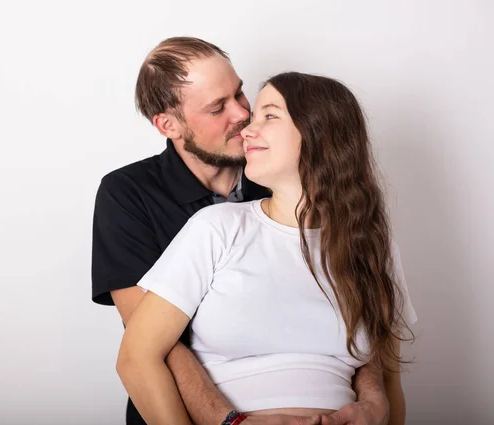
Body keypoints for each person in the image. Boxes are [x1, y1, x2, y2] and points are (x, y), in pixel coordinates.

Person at [92, 37, 392, 425]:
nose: (241, 114)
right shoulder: (129, 194)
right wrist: (230, 420)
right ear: (168, 125)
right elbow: (153, 347)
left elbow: (362, 331)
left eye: (239, 93)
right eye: (218, 107)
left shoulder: (280, 176)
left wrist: (371, 400)